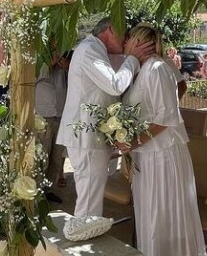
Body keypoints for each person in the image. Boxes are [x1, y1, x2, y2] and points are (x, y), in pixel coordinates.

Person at [117, 25, 207, 256]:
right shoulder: (143, 69)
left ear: (138, 42)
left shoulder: (157, 68)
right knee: (151, 215)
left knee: (163, 214)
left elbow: (165, 118)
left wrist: (132, 142)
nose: (123, 42)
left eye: (127, 38)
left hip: (162, 156)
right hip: (146, 155)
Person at [56, 17, 155, 218]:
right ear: (111, 29)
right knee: (89, 198)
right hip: (86, 136)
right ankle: (83, 238)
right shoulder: (89, 49)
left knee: (91, 195)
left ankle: (85, 233)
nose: (126, 39)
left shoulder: (98, 50)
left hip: (90, 136)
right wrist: (134, 59)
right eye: (124, 34)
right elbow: (115, 84)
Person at [35, 41, 71, 203]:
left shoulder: (69, 58)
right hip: (44, 115)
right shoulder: (38, 59)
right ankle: (34, 194)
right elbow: (32, 80)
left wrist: (69, 68)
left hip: (62, 114)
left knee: (56, 159)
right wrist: (49, 65)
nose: (57, 48)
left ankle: (47, 190)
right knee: (42, 157)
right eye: (54, 45)